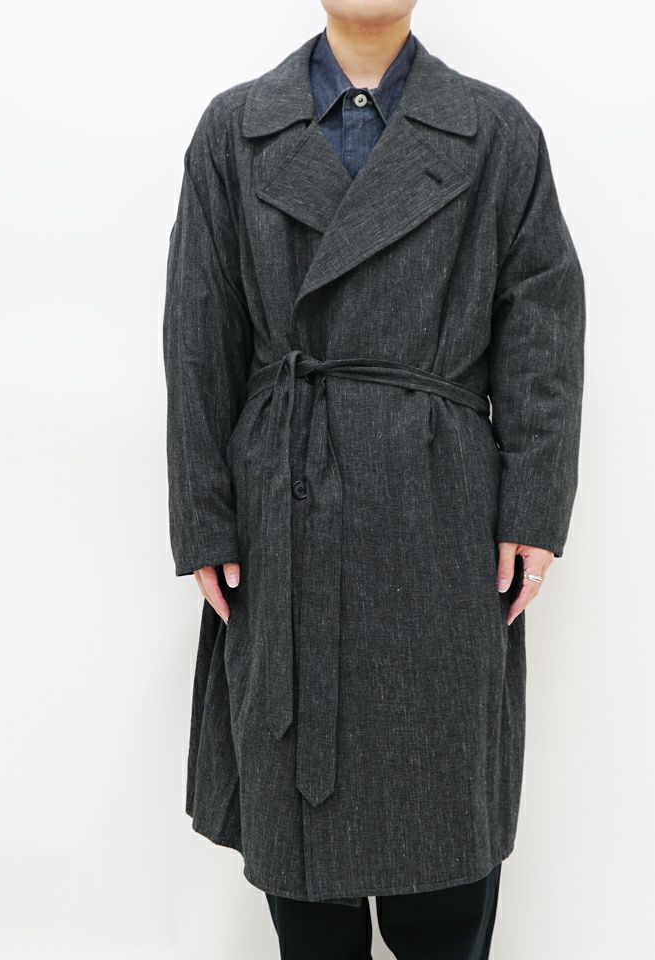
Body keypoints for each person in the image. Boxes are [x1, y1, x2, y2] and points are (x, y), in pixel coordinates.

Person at [162, 1, 585, 956]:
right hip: (284, 514)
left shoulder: (496, 133)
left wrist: (534, 506)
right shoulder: (235, 129)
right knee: (303, 866)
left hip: (440, 515)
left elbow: (543, 326)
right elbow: (197, 329)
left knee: (446, 838)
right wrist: (204, 517)